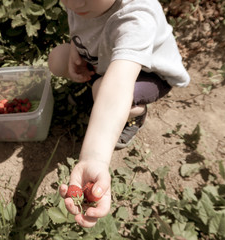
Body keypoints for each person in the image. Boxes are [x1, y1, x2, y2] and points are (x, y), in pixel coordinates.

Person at [48, 0, 190, 227]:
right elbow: (79, 27)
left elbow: (117, 85)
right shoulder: (81, 4)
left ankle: (135, 114)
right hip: (105, 61)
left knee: (102, 90)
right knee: (58, 59)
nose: (74, 3)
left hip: (147, 75)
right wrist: (76, 49)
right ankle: (97, 90)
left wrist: (93, 158)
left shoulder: (136, 17)